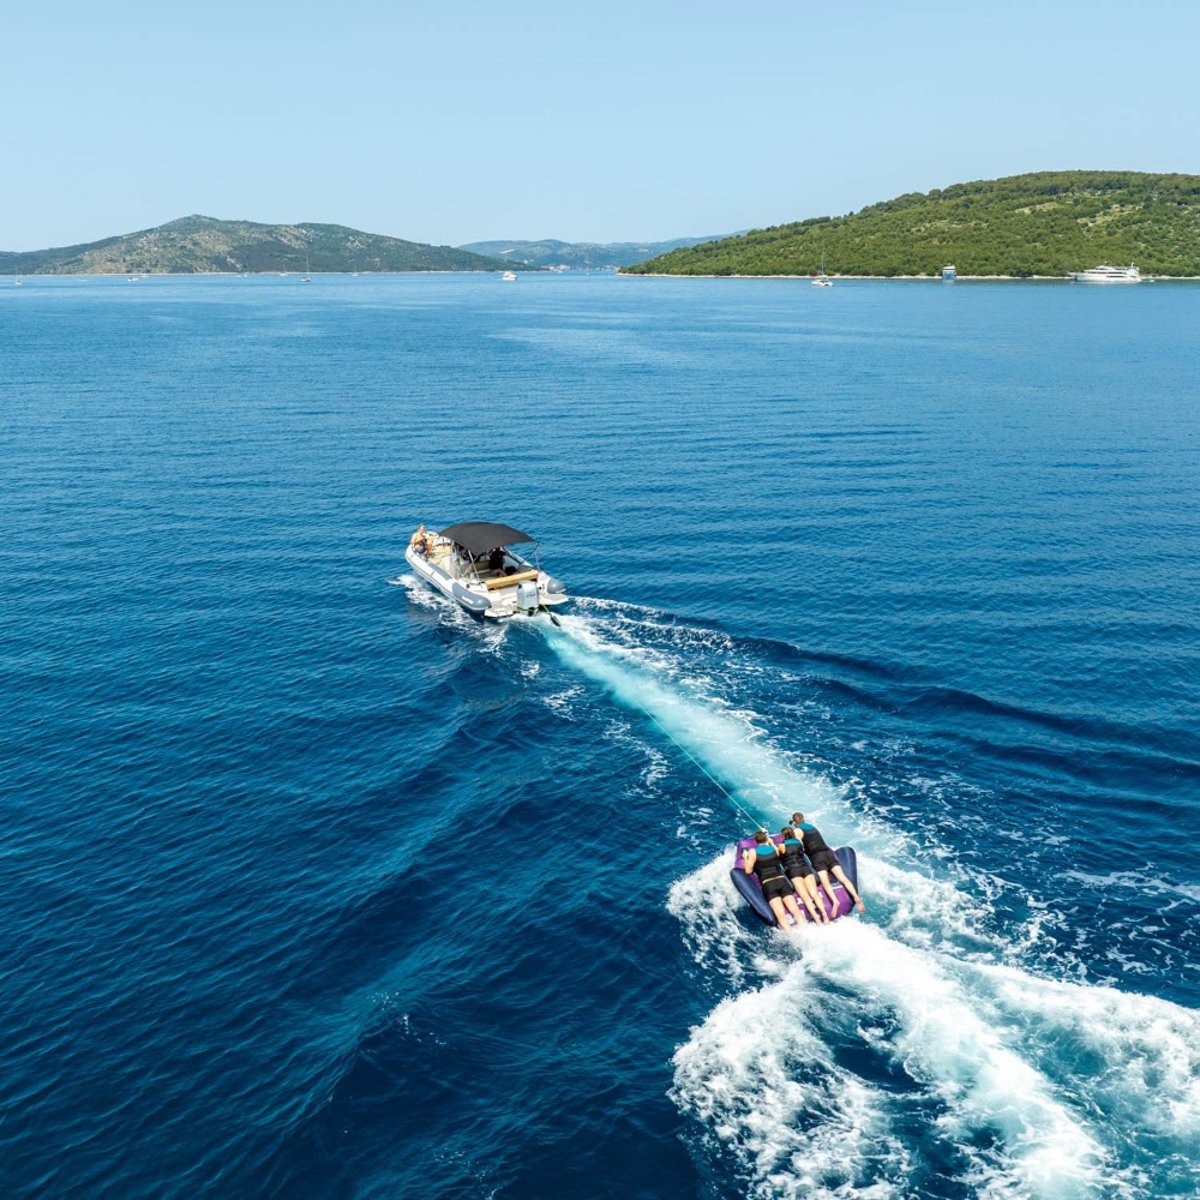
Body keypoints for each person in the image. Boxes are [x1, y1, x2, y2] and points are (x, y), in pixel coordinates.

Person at [790, 812, 866, 914]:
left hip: (817, 857)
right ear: (803, 819)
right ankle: (856, 898)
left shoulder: (797, 830)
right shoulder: (812, 827)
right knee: (842, 877)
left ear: (795, 822)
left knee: (825, 881)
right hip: (828, 853)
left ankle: (835, 901)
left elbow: (799, 844)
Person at [741, 829, 807, 928]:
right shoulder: (775, 849)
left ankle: (792, 937)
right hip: (782, 882)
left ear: (756, 841)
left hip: (769, 885)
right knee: (795, 911)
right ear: (766, 839)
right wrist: (771, 843)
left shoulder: (753, 852)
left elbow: (748, 871)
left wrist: (745, 857)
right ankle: (806, 929)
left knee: (781, 917)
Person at [778, 826, 828, 924]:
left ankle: (817, 919)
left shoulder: (781, 845)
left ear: (783, 835)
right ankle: (825, 915)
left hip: (794, 871)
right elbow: (802, 850)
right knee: (814, 893)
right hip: (805, 868)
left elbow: (777, 854)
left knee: (805, 896)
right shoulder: (799, 842)